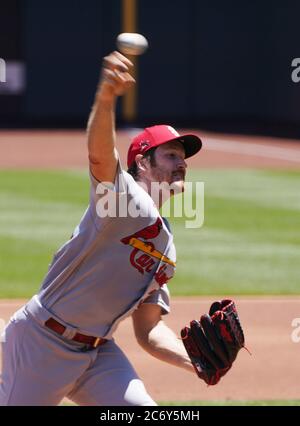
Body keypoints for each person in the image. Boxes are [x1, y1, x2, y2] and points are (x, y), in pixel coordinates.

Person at [0, 51, 202, 406]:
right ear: (142, 162)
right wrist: (106, 96)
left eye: (182, 157)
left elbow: (149, 331)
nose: (181, 163)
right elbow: (99, 155)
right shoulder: (123, 199)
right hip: (41, 346)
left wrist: (197, 361)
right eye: (170, 155)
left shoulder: (166, 247)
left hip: (98, 355)